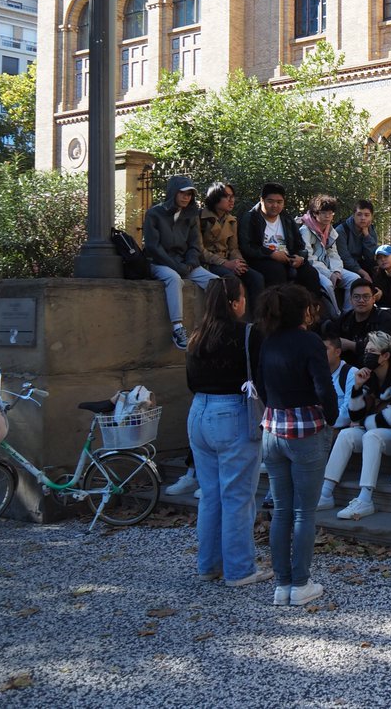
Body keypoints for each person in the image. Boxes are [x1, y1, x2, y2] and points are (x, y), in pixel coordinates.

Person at [255, 283, 338, 607]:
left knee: (281, 510)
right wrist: (331, 417)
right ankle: (301, 583)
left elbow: (261, 384)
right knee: (304, 512)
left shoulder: (268, 341)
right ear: (303, 310)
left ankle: (282, 584)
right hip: (306, 431)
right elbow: (323, 386)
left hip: (273, 430)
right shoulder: (310, 341)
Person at [184, 276, 269, 586]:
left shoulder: (197, 334)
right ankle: (239, 569)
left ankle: (209, 564)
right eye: (242, 297)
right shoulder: (247, 333)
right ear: (234, 303)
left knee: (211, 495)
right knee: (237, 496)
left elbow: (190, 381)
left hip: (199, 410)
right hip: (232, 411)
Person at [318, 331, 391, 519]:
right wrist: (357, 388)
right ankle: (325, 492)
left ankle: (365, 498)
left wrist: (362, 422)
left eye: (372, 351)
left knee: (371, 436)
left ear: (385, 355)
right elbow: (354, 414)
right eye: (366, 351)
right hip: (374, 431)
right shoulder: (368, 376)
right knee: (346, 435)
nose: (367, 355)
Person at [143, 175, 219, 350]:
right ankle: (177, 328)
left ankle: (215, 326)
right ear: (173, 192)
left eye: (190, 194)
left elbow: (195, 245)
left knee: (217, 283)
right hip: (158, 263)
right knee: (174, 279)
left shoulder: (191, 216)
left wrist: (190, 263)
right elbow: (153, 247)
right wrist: (177, 267)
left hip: (185, 264)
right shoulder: (154, 214)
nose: (186, 197)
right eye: (183, 193)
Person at [240, 183, 321, 294]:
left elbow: (299, 244)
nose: (275, 205)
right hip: (262, 259)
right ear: (262, 200)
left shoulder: (287, 219)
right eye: (270, 201)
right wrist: (271, 254)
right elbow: (247, 246)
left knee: (310, 273)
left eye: (279, 202)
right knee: (276, 270)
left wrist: (300, 258)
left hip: (288, 259)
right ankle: (277, 304)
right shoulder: (250, 218)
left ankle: (310, 305)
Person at [199, 181, 264, 309]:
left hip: (228, 261)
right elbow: (199, 250)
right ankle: (229, 316)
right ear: (215, 198)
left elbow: (233, 248)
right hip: (209, 263)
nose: (231, 200)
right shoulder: (199, 218)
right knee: (231, 280)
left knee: (256, 278)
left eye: (233, 196)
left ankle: (257, 318)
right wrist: (225, 263)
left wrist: (239, 262)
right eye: (226, 196)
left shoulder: (231, 220)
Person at [300, 195, 362, 317]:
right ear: (315, 213)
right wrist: (329, 274)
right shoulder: (305, 230)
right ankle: (336, 316)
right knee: (328, 285)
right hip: (315, 269)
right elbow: (309, 258)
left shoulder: (330, 230)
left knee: (354, 279)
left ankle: (348, 314)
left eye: (330, 213)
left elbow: (333, 253)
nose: (328, 216)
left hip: (330, 267)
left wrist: (336, 271)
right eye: (324, 213)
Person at [325, 279, 391, 367]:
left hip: (376, 368)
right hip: (348, 369)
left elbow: (389, 349)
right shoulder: (344, 319)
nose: (361, 300)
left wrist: (353, 345)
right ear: (350, 300)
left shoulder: (384, 318)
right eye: (356, 297)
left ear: (373, 299)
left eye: (366, 296)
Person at [336, 199, 377, 283]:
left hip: (361, 263)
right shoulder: (341, 230)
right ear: (353, 215)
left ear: (371, 217)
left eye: (367, 215)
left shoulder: (370, 229)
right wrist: (364, 273)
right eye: (359, 214)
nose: (363, 218)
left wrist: (367, 235)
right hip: (344, 266)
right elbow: (345, 258)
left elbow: (371, 256)